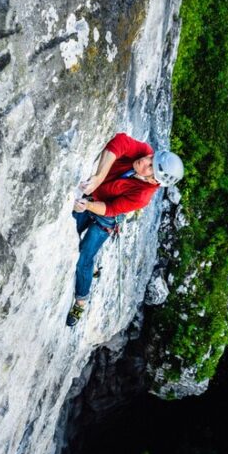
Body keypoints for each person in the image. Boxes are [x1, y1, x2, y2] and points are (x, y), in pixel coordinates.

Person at [66, 132, 184, 326]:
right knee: (69, 235)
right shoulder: (143, 153)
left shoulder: (142, 196)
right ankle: (91, 271)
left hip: (105, 218)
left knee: (84, 259)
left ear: (154, 181)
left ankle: (81, 300)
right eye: (151, 158)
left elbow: (111, 209)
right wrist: (97, 178)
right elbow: (119, 142)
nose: (145, 160)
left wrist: (86, 206)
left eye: (150, 167)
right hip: (93, 196)